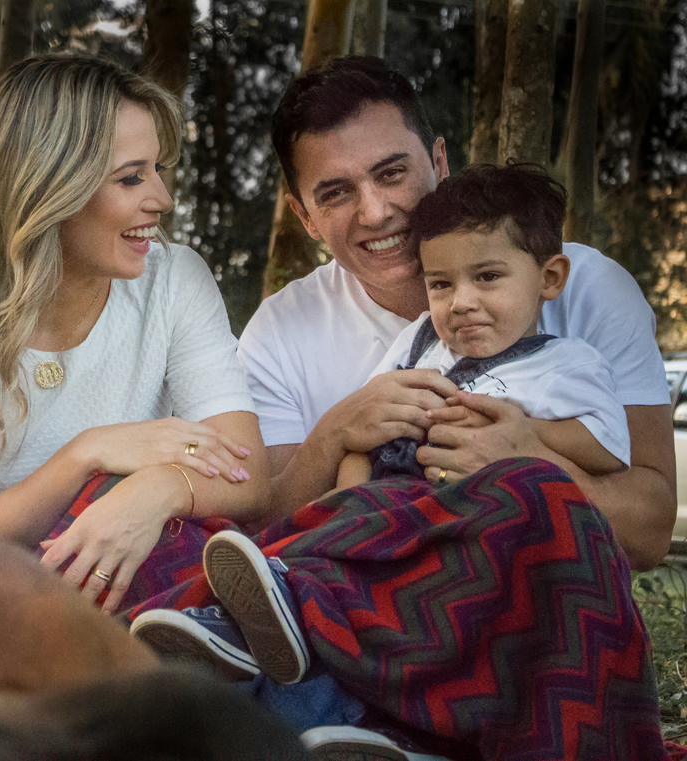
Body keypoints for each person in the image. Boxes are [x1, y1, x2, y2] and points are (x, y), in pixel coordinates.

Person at [129, 56, 669, 760]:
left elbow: (653, 525)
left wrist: (528, 456)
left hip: (529, 617)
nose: (377, 211)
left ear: (438, 159)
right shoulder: (281, 329)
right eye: (336, 191)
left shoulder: (581, 288)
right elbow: (265, 519)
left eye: (391, 173)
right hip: (361, 634)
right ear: (302, 213)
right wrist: (334, 433)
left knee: (522, 497)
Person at [0, 54, 272, 617]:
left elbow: (248, 478)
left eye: (158, 170)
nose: (163, 200)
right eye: (131, 177)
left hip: (154, 573)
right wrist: (88, 453)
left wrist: (155, 491)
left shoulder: (174, 279)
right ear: (47, 187)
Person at [335, 162, 629, 491]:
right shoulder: (420, 340)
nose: (461, 302)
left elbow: (609, 449)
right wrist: (347, 503)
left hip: (483, 521)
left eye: (487, 276)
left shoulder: (566, 365)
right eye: (441, 284)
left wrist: (528, 434)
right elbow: (364, 430)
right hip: (387, 506)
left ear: (549, 279)